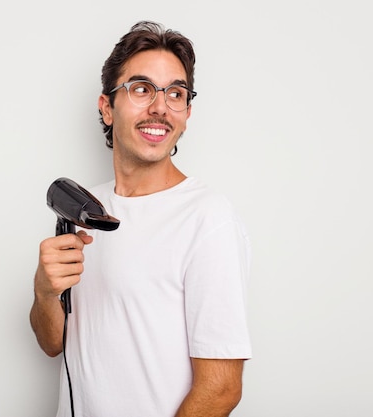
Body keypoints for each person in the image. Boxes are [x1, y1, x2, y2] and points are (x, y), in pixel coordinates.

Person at [30, 20, 252, 417]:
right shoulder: (85, 208)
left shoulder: (207, 218)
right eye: (141, 88)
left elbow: (220, 389)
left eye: (176, 93)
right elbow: (53, 344)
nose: (160, 107)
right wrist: (46, 293)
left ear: (186, 113)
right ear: (106, 107)